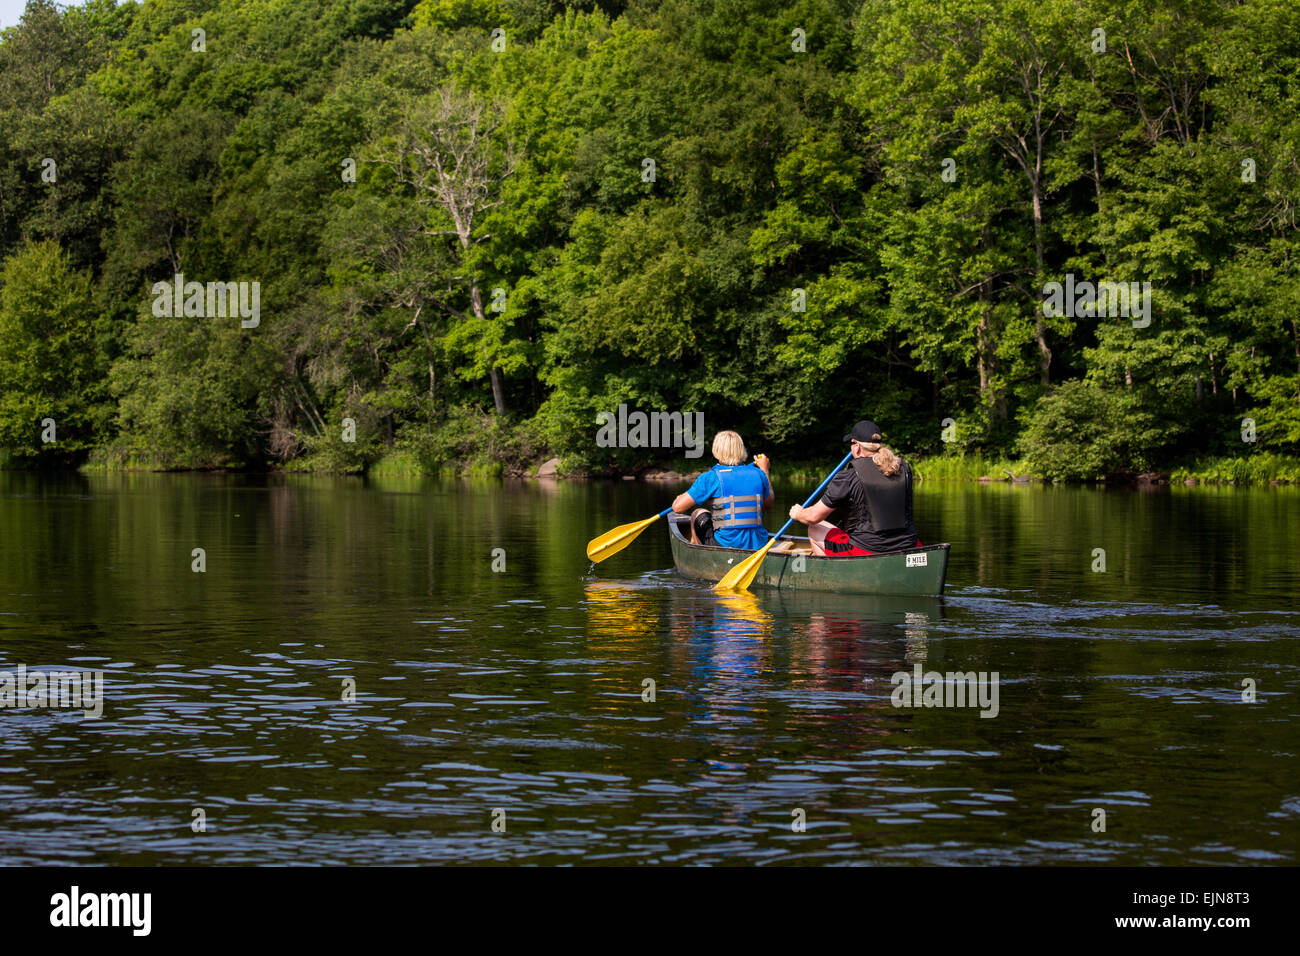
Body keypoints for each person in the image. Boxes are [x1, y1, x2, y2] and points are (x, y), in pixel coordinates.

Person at [787, 420, 921, 556]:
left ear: (856, 447)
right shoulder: (903, 468)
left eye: (851, 443)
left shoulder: (849, 475)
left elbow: (813, 516)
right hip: (909, 545)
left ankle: (829, 575)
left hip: (867, 549)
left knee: (814, 528)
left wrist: (798, 513)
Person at [672, 430, 774, 550]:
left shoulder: (710, 477)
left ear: (716, 451)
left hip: (726, 543)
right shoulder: (759, 474)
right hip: (758, 543)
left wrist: (679, 498)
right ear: (741, 450)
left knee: (697, 513)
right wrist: (765, 470)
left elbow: (677, 508)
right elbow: (769, 504)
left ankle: (701, 555)